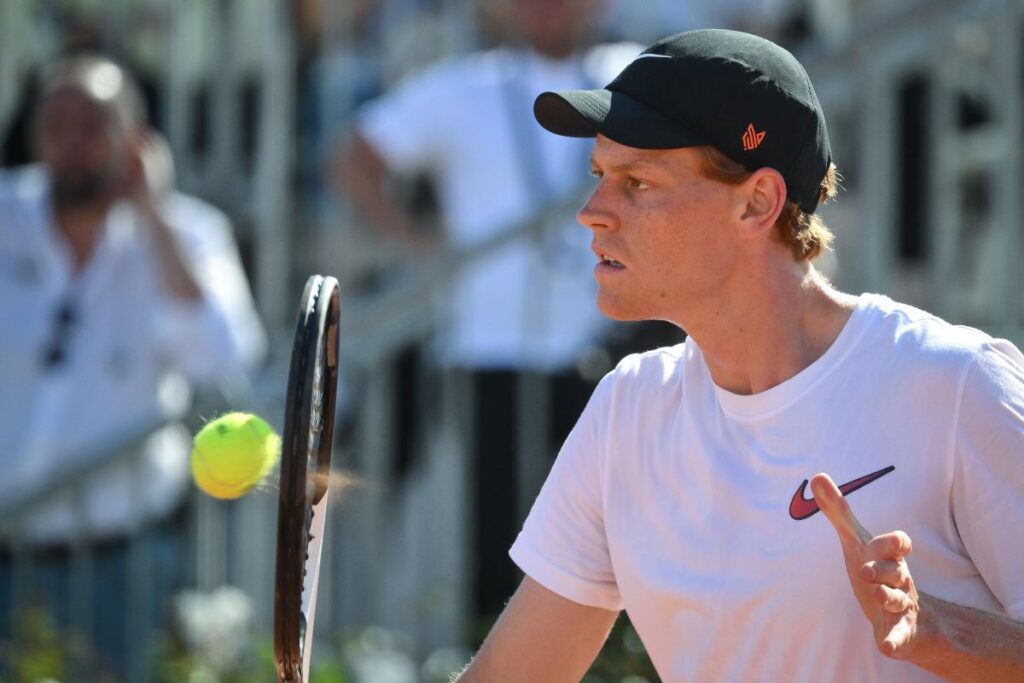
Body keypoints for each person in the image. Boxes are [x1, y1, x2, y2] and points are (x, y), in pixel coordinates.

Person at [455, 29, 1024, 681]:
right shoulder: (626, 408)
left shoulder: (955, 382)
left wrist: (940, 633)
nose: (593, 212)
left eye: (637, 183)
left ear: (757, 203)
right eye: (599, 176)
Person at [335, 0, 643, 618]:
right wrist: (416, 245)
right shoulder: (464, 85)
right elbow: (352, 158)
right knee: (506, 556)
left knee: (624, 551)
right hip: (491, 356)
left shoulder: (637, 72)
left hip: (619, 350)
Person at [0, 54, 265, 675]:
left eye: (93, 123)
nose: (73, 142)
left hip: (120, 560)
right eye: (57, 123)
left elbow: (226, 358)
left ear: (136, 137)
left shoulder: (191, 234)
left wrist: (155, 218)